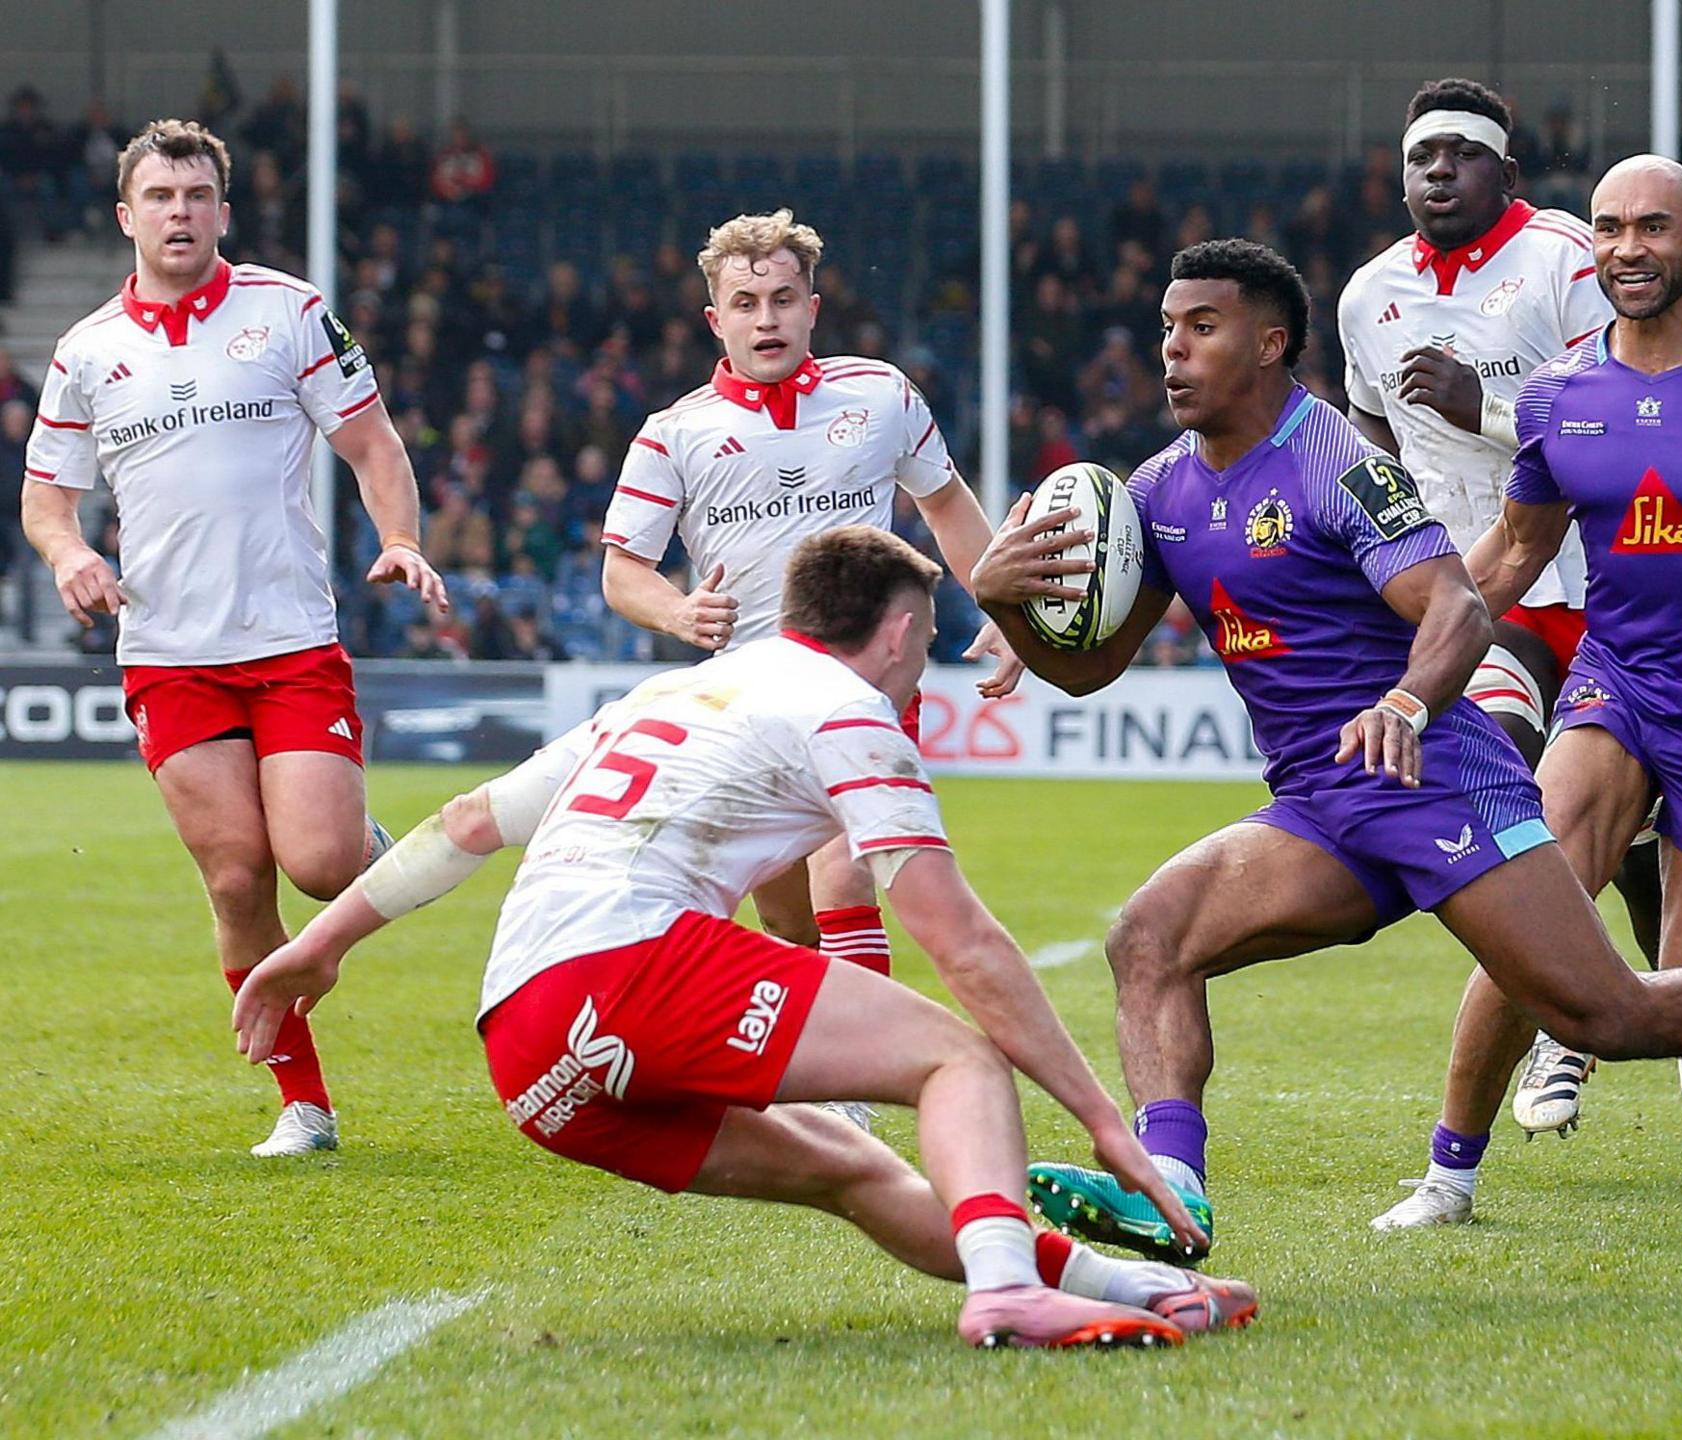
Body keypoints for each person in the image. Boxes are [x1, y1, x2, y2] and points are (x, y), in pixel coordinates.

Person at [970, 238, 1682, 1257]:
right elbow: (1089, 669)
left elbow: (1459, 607)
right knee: (1149, 938)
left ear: (1268, 343)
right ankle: (1172, 1189)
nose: (1170, 350)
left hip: (1438, 784)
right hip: (1320, 809)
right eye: (1168, 328)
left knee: (1604, 1014)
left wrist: (1407, 703)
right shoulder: (1160, 493)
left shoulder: (1335, 462)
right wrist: (1005, 606)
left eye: (1199, 328)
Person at [231, 527, 1255, 1349]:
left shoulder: (669, 693)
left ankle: (1125, 1285)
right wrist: (1102, 1120)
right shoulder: (851, 708)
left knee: (853, 1172)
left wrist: (325, 940)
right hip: (628, 970)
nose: (921, 675)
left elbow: (465, 824)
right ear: (898, 636)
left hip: (527, 1049)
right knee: (957, 1058)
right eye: (926, 647)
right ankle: (1008, 1299)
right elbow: (964, 943)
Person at [1378, 153, 1682, 1218]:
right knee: (1530, 917)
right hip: (1615, 688)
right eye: (1607, 229)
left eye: (1652, 228)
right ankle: (1446, 1176)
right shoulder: (1559, 396)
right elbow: (1511, 555)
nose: (1626, 249)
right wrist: (1410, 650)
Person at [19, 119, 445, 1157]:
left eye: (197, 195)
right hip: (167, 653)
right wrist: (70, 556)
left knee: (316, 863)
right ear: (127, 216)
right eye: (160, 196)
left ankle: (357, 847)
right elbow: (45, 500)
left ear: (223, 209)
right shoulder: (86, 353)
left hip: (290, 638)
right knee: (236, 883)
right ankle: (304, 1105)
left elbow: (372, 443)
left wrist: (397, 538)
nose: (179, 212)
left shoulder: (290, 314)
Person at [1338, 78, 1682, 1143]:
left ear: (1506, 174)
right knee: (1520, 803)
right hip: (1487, 594)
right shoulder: (1366, 295)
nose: (1438, 170)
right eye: (1420, 153)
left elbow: (1631, 394)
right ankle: (1566, 1025)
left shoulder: (1572, 256)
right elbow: (1368, 437)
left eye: (1461, 154)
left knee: (1654, 855)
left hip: (1610, 579)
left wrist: (1485, 407)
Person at [599, 209, 1020, 971]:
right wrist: (680, 609)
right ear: (715, 319)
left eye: (785, 300)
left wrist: (1003, 604)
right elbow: (622, 571)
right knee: (789, 923)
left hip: (862, 679)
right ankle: (828, 1045)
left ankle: (855, 1088)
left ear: (812, 309)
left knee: (843, 872)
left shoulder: (880, 396)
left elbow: (946, 501)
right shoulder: (673, 434)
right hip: (744, 697)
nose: (768, 319)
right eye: (747, 304)